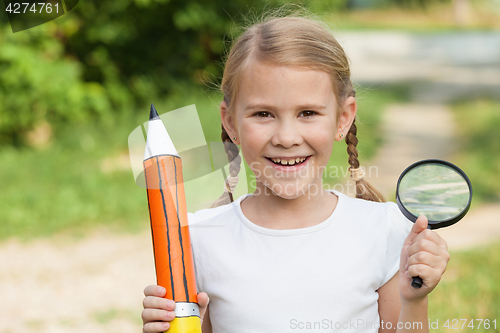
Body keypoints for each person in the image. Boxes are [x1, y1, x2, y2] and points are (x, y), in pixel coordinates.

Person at [141, 12, 450, 333]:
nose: (286, 138)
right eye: (263, 114)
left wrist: (414, 300)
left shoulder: (385, 231)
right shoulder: (197, 241)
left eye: (307, 113)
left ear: (343, 118)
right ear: (230, 122)